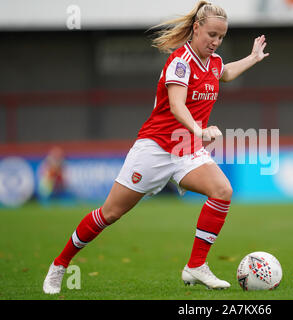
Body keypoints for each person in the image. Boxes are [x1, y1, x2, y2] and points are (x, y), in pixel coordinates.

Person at [43, 0, 269, 294]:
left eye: (221, 37)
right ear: (196, 28)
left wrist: (252, 57)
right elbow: (176, 105)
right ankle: (60, 265)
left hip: (187, 150)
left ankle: (196, 266)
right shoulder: (180, 61)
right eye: (211, 34)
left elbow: (223, 73)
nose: (216, 41)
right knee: (109, 214)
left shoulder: (212, 63)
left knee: (222, 191)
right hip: (155, 149)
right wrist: (200, 129)